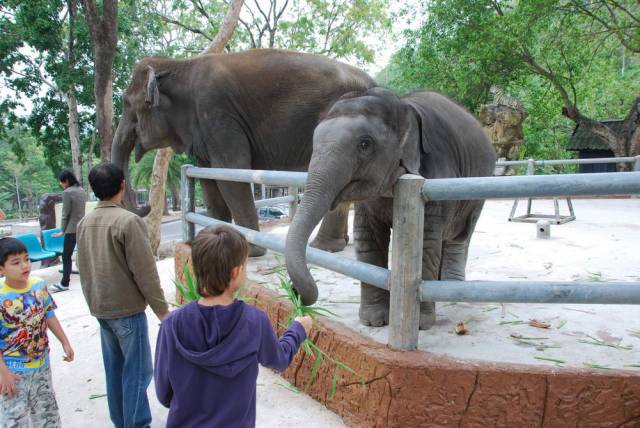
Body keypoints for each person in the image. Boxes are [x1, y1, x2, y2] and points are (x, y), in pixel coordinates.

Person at [154, 225, 312, 428]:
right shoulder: (255, 322)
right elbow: (279, 360)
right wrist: (298, 330)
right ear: (236, 272)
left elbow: (163, 393)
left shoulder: (171, 325)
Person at [76, 162, 168, 428]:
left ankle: (121, 422)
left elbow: (84, 268)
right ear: (122, 186)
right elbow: (145, 272)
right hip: (127, 311)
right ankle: (137, 424)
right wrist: (162, 311)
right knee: (138, 373)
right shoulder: (128, 221)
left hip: (101, 309)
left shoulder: (85, 222)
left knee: (115, 372)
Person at [0, 237, 74, 427]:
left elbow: (49, 315)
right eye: (16, 263)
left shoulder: (38, 285)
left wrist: (64, 341)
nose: (25, 265)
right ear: (1, 269)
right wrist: (3, 373)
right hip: (13, 371)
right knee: (14, 419)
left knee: (47, 414)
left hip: (42, 364)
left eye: (27, 259)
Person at [51, 169, 86, 293]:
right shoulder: (82, 191)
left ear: (66, 180)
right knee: (84, 255)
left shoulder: (67, 193)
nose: (61, 184)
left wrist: (62, 230)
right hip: (82, 228)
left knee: (66, 257)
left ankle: (64, 283)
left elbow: (66, 214)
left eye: (61, 182)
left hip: (71, 230)